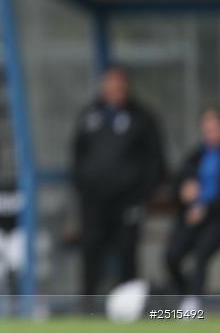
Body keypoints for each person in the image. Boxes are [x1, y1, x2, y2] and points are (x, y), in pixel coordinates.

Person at [71, 65, 165, 299]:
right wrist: (82, 182)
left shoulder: (142, 117)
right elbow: (77, 153)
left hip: (128, 200)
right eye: (110, 84)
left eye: (119, 84)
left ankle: (128, 304)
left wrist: (142, 192)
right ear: (103, 87)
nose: (115, 89)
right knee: (91, 248)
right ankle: (89, 304)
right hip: (94, 201)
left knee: (127, 251)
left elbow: (155, 159)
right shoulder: (90, 115)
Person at [164, 107, 220, 312]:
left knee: (201, 254)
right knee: (172, 256)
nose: (211, 133)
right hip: (192, 215)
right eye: (207, 129)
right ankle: (184, 295)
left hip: (215, 217)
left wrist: (206, 208)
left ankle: (193, 302)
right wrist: (183, 190)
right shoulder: (196, 156)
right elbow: (179, 183)